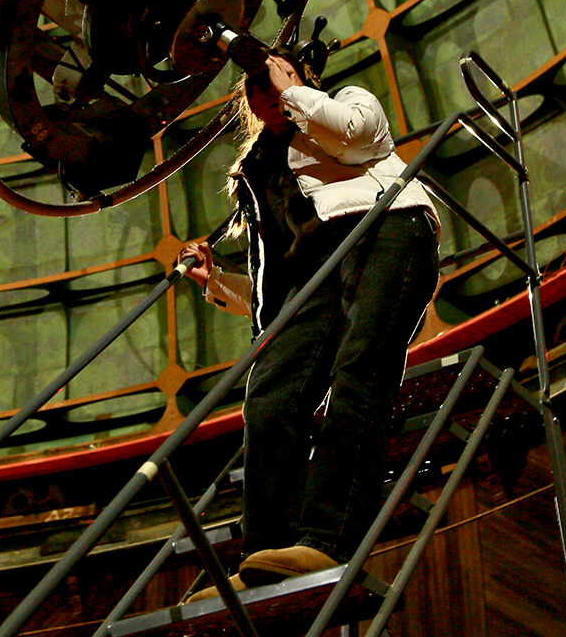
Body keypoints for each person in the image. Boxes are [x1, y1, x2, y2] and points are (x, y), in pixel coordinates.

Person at [180, 50, 439, 599]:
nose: (270, 90)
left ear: (301, 78)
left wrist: (294, 92)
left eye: (279, 76)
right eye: (259, 85)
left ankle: (330, 538)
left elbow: (357, 135)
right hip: (316, 278)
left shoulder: (345, 101)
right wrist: (214, 280)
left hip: (385, 226)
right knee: (270, 396)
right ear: (249, 104)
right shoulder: (259, 174)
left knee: (360, 368)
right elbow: (273, 279)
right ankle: (261, 557)